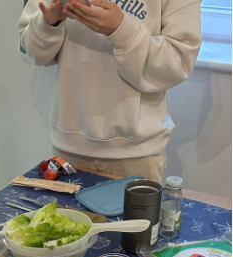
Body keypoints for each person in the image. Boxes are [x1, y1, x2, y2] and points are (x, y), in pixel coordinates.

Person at [18, 0, 202, 182]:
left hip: (136, 153)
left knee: (135, 213)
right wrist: (49, 23)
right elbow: (33, 49)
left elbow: (177, 62)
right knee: (63, 213)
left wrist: (121, 30)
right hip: (69, 145)